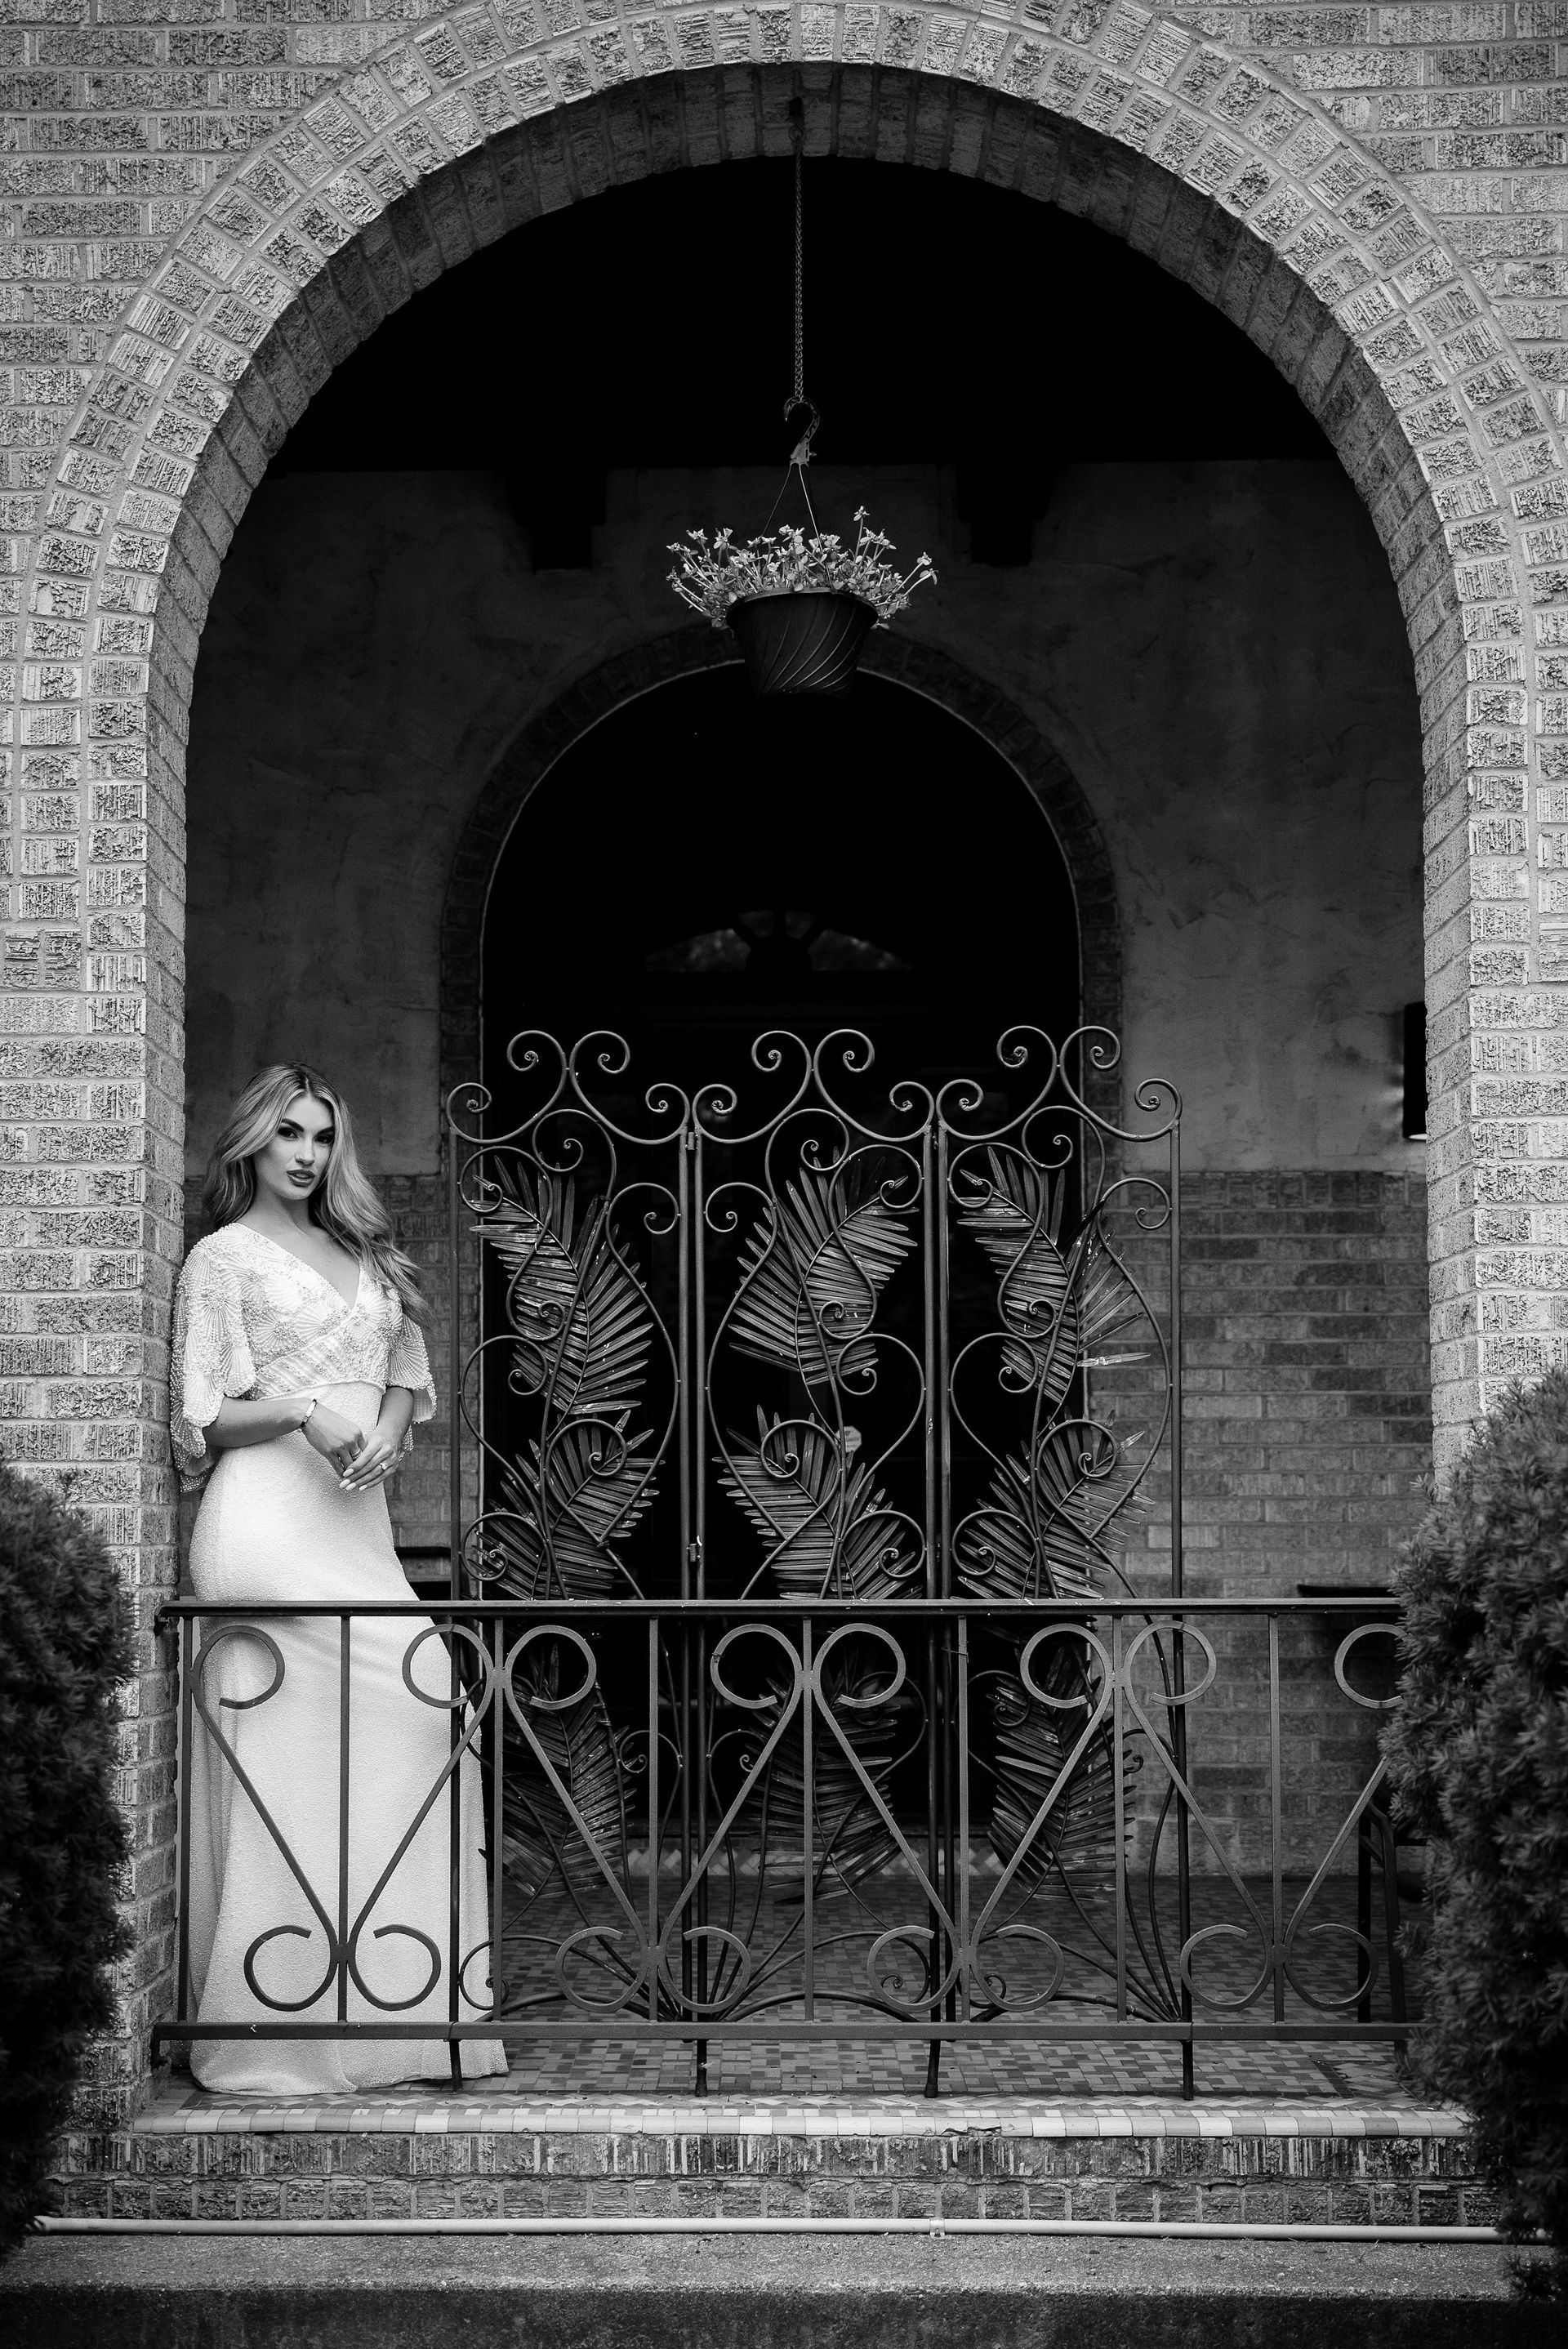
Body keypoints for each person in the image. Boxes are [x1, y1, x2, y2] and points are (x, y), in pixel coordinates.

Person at [170, 1063, 506, 2094]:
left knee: (417, 1702)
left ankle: (395, 2011)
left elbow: (408, 1376)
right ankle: (276, 2026)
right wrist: (305, 1412)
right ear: (251, 1147)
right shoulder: (222, 1260)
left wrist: (390, 1435)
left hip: (355, 1530)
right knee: (288, 1761)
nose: (307, 1154)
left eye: (321, 1135)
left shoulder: (365, 1251)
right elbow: (202, 1415)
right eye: (287, 1136)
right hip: (267, 1525)